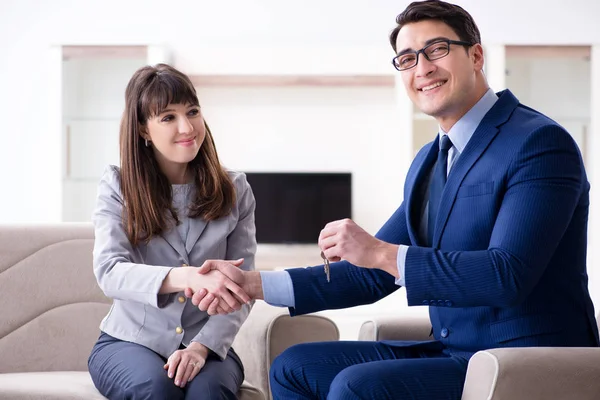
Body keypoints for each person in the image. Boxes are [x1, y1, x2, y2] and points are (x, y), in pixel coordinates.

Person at [187, 1, 599, 398]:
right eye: (407, 58)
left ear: (476, 56)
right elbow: (369, 273)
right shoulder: (431, 160)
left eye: (437, 49)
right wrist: (250, 284)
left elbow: (507, 275)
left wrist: (382, 252)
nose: (423, 68)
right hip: (456, 351)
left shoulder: (538, 143)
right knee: (295, 366)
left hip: (523, 357)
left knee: (357, 387)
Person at [87, 63, 256, 400]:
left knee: (208, 392)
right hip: (129, 341)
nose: (187, 126)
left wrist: (201, 348)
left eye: (192, 111)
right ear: (143, 130)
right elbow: (110, 272)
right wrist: (189, 277)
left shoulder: (235, 189)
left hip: (208, 345)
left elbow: (241, 289)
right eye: (167, 117)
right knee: (156, 388)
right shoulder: (118, 185)